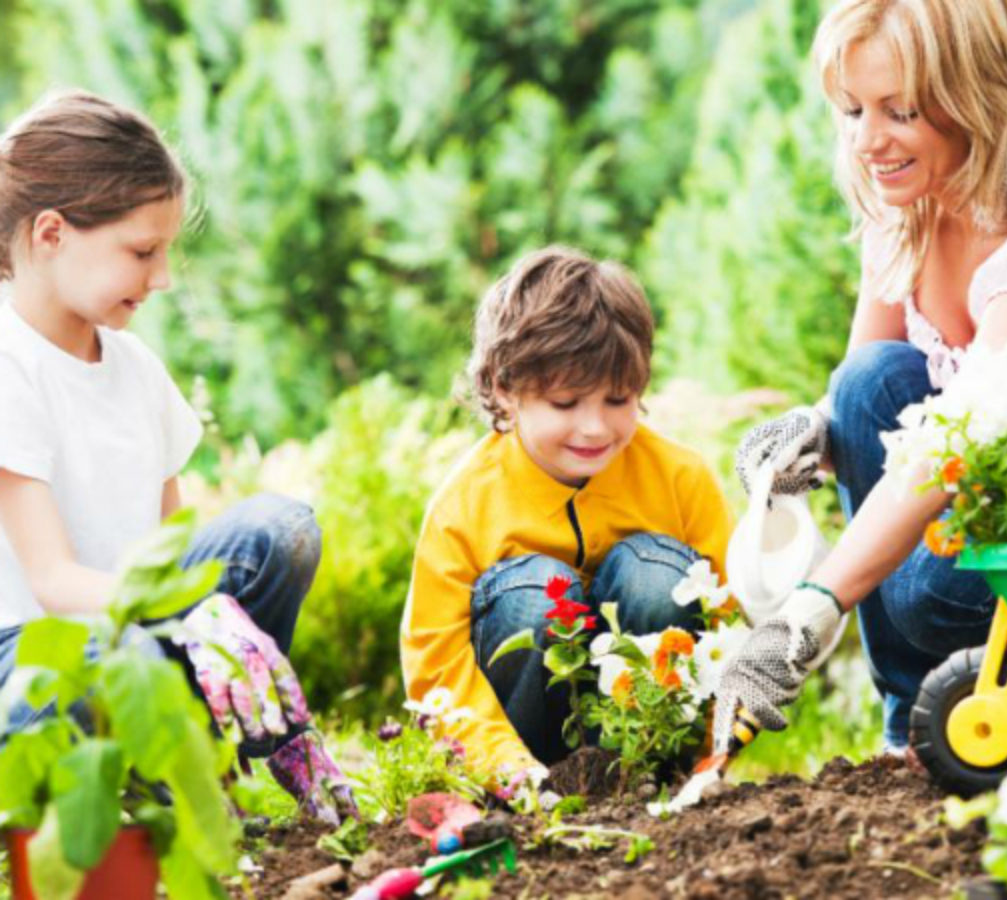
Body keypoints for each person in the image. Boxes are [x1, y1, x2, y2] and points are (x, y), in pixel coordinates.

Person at [714, 0, 1007, 766]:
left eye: (900, 110)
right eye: (852, 110)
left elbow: (958, 440)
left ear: (980, 101)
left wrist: (810, 611)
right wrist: (810, 432)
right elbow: (868, 392)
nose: (869, 140)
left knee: (924, 591)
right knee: (867, 384)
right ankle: (914, 728)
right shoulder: (906, 214)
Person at [0, 90, 356, 824]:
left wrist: (212, 616)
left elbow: (178, 553)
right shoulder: (10, 365)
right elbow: (55, 581)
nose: (161, 277)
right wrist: (194, 615)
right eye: (142, 251)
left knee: (279, 530)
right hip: (35, 667)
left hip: (138, 642)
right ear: (51, 234)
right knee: (110, 658)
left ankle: (205, 755)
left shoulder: (135, 369)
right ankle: (143, 785)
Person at [402, 246, 734, 782]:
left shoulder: (680, 478)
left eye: (618, 399)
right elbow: (436, 667)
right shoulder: (464, 505)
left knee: (659, 578)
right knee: (537, 593)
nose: (596, 428)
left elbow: (730, 622)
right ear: (506, 390)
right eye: (565, 404)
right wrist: (507, 768)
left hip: (647, 730)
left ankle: (644, 773)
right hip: (524, 753)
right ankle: (544, 778)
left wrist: (712, 756)